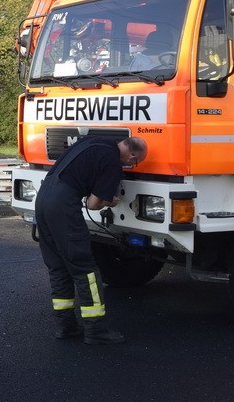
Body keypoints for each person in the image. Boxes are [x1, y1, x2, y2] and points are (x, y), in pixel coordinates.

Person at [34, 135, 148, 345]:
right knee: (85, 269)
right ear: (131, 156)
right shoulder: (112, 161)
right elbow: (95, 204)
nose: (132, 165)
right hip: (63, 205)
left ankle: (65, 326)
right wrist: (112, 202)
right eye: (135, 162)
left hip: (42, 199)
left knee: (58, 267)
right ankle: (95, 329)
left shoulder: (94, 142)